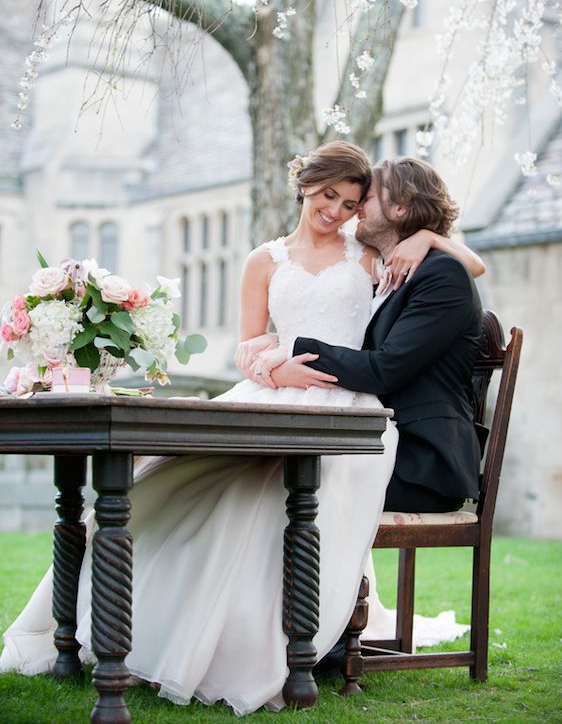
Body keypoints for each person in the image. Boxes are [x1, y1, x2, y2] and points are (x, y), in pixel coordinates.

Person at [0, 144, 484, 715]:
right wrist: (268, 364)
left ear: (391, 211)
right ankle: (129, 623)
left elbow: (463, 269)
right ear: (305, 187)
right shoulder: (269, 258)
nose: (344, 209)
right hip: (286, 389)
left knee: (261, 489)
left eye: (358, 200)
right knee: (180, 478)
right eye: (333, 195)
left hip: (353, 404)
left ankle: (266, 642)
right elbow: (246, 344)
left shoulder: (378, 256)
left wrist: (425, 239)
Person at [244, 155, 484, 514]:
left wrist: (290, 345)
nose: (353, 212)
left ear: (400, 208)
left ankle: (312, 572)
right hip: (382, 439)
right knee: (252, 473)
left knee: (273, 484)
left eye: (364, 200)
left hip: (423, 464)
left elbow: (384, 369)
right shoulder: (393, 275)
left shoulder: (442, 276)